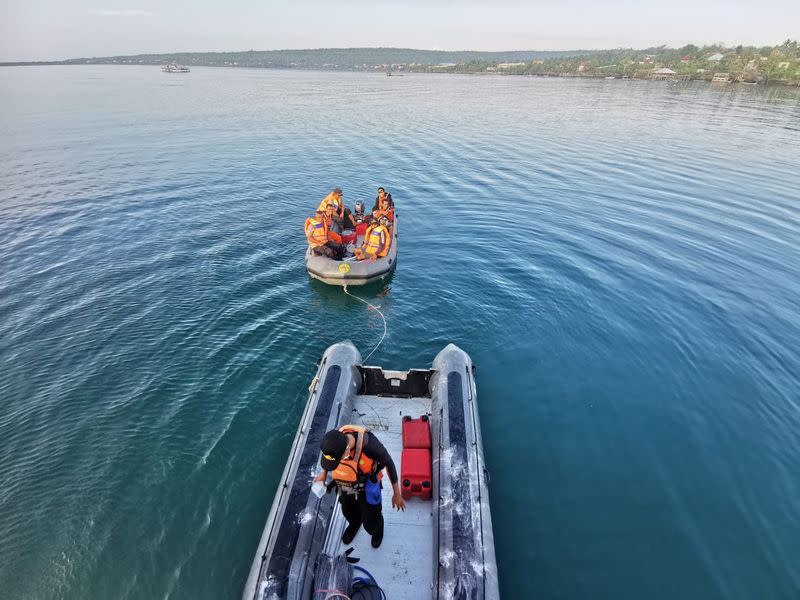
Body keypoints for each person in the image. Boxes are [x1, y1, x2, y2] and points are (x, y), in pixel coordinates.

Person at [315, 425, 405, 548]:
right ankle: (355, 523)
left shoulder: (370, 445)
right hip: (345, 483)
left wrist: (397, 493)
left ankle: (377, 529)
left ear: (346, 451)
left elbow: (389, 463)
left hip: (367, 485)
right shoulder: (334, 442)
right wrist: (324, 474)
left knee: (371, 522)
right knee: (348, 512)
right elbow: (330, 457)